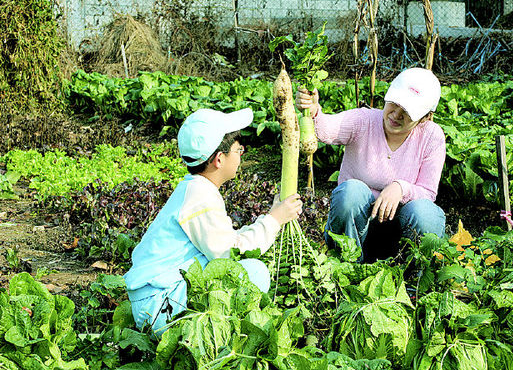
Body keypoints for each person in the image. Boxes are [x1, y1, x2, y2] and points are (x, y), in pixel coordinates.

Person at [123, 108, 303, 333]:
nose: (241, 155)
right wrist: (274, 220)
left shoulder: (193, 187)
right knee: (255, 273)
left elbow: (224, 242)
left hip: (154, 299)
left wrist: (271, 218)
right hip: (159, 306)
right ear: (219, 159)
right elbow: (230, 253)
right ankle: (213, 334)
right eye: (239, 150)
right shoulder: (201, 198)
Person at [296, 67, 446, 263]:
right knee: (351, 192)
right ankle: (346, 266)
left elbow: (428, 193)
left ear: (425, 117)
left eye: (407, 112)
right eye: (395, 104)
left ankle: (413, 277)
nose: (396, 114)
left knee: (426, 214)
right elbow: (327, 129)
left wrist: (400, 188)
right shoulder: (364, 121)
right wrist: (314, 110)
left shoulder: (431, 136)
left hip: (400, 237)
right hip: (356, 231)